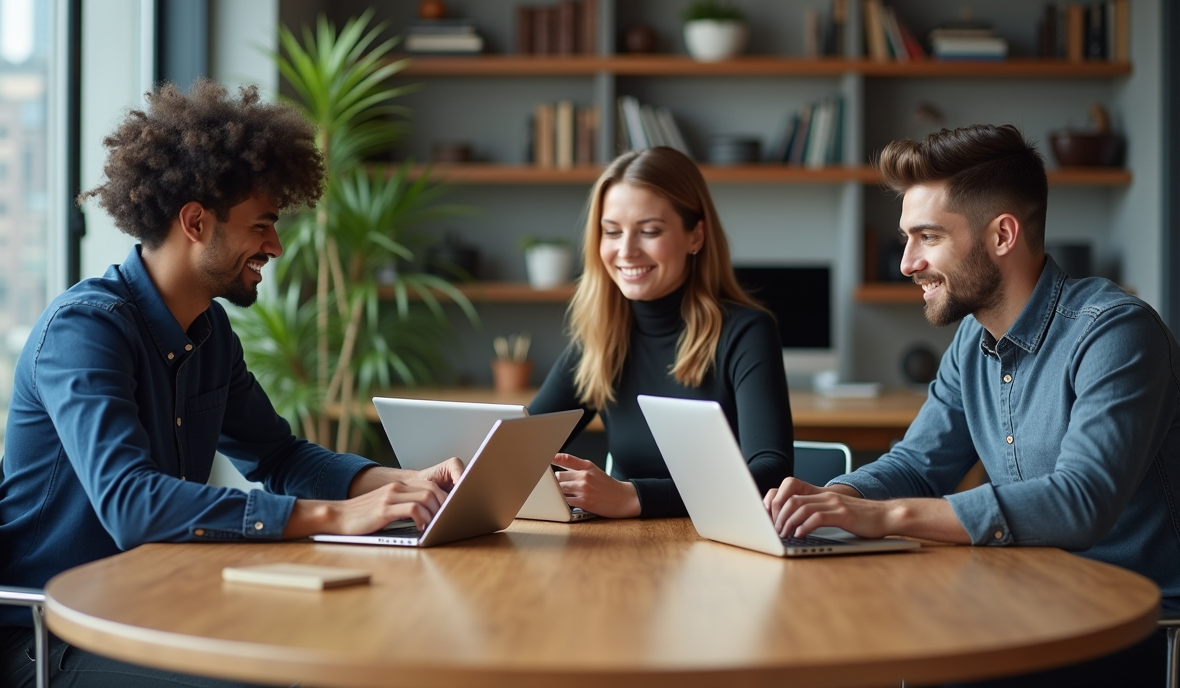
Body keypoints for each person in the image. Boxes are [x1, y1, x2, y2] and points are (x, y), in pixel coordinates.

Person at [0, 80, 463, 688]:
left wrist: (405, 484)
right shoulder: (84, 331)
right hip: (51, 635)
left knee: (364, 644)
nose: (273, 245)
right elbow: (131, 505)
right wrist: (340, 514)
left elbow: (277, 455)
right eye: (262, 226)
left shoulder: (208, 330)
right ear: (195, 221)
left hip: (151, 606)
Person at [765, 124, 1180, 687]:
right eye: (907, 238)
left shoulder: (1116, 333)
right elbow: (919, 465)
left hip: (1148, 629)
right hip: (1038, 606)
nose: (906, 263)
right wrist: (832, 500)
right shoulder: (972, 341)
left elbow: (1081, 502)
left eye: (927, 237)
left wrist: (884, 516)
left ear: (1002, 235)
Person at [529, 147, 793, 518]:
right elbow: (515, 453)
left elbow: (771, 475)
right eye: (612, 232)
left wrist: (632, 497)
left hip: (718, 551)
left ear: (695, 237)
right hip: (621, 553)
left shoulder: (746, 331)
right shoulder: (601, 337)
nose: (626, 250)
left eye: (649, 231)